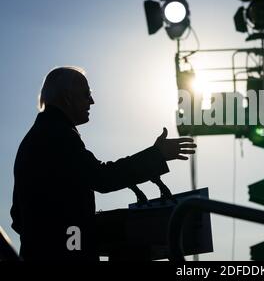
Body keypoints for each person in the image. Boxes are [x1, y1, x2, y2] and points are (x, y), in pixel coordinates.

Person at [10, 66, 196, 261]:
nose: (92, 101)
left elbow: (18, 218)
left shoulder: (38, 136)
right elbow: (102, 178)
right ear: (67, 97)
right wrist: (157, 155)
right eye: (86, 94)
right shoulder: (57, 135)